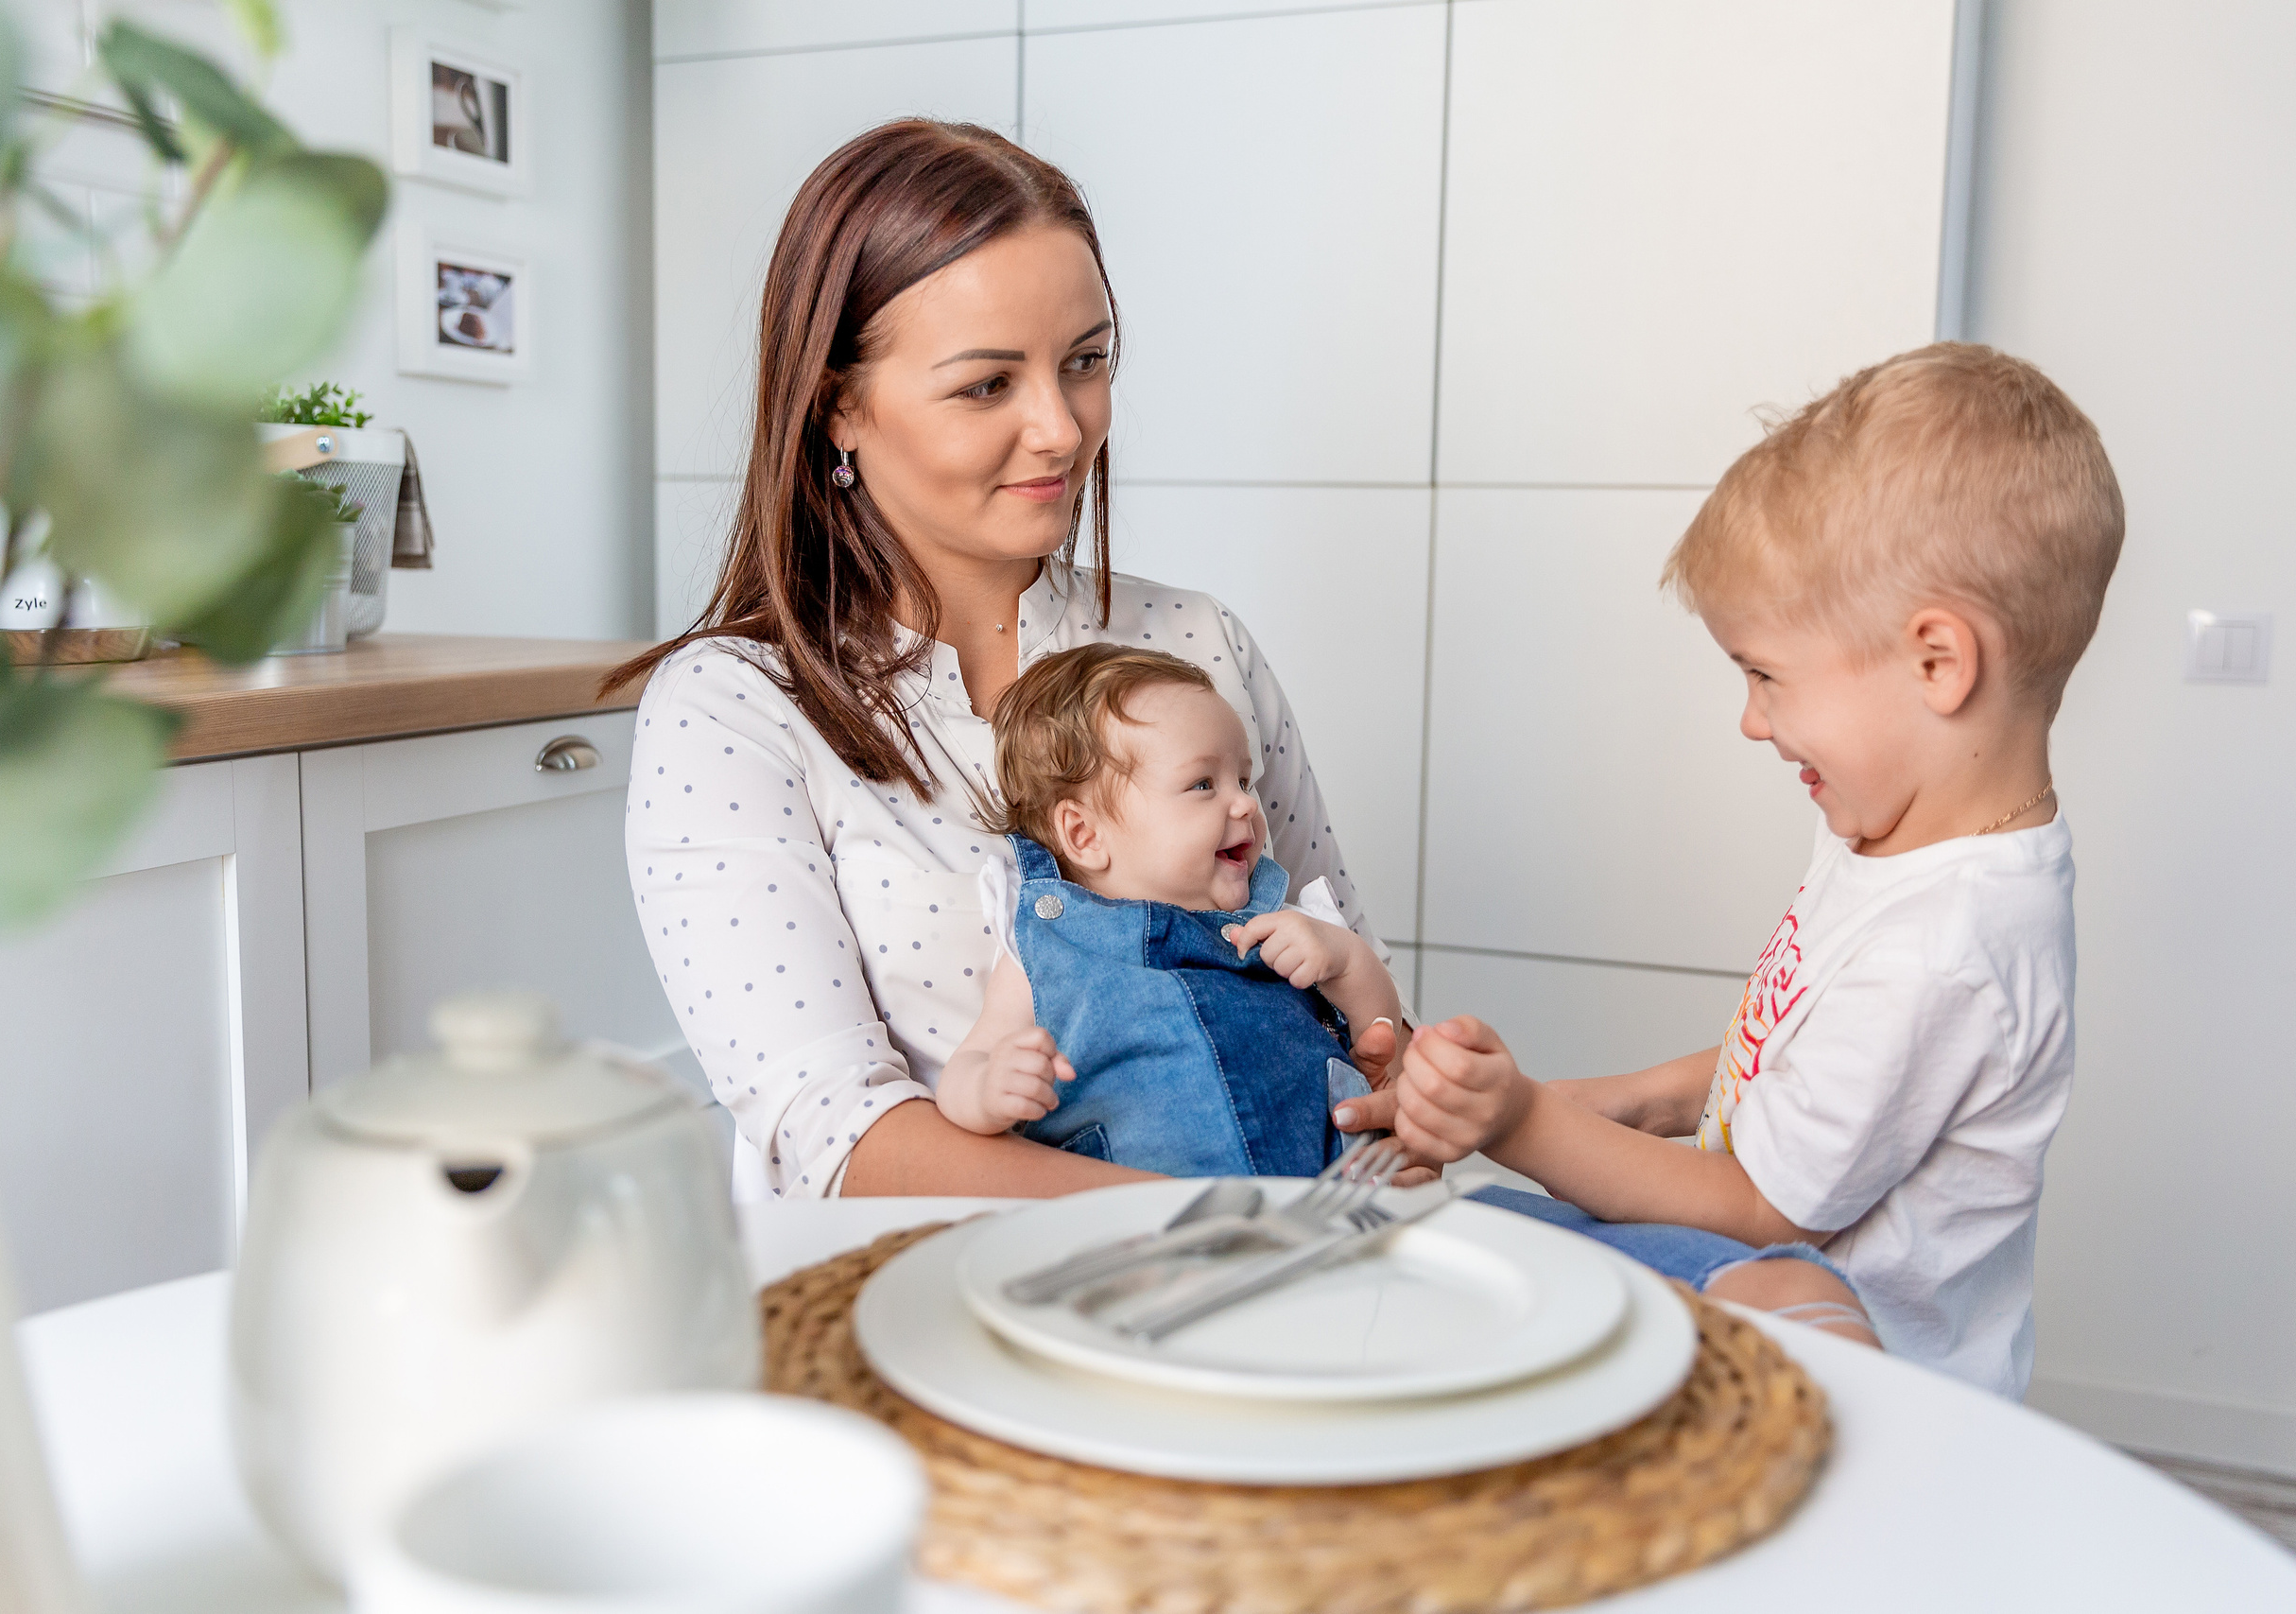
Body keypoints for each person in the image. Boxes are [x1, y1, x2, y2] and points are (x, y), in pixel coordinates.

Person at [610, 119, 1406, 1201]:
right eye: (988, 385)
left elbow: (1347, 991)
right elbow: (838, 1133)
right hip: (937, 1302)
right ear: (839, 402)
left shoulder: (1198, 644)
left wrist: (1406, 1115)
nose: (1062, 431)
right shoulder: (732, 712)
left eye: (1083, 364)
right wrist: (1233, 1230)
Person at [1336, 343, 2124, 1392]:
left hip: (1850, 1393)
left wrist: (1522, 1123)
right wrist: (1585, 1104)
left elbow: (1761, 1203)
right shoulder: (1892, 836)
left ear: (1938, 662)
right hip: (1746, 1281)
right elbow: (1780, 1065)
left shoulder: (1948, 946)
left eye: (1766, 675)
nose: (1751, 722)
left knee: (1472, 1271)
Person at [935, 644, 1400, 1174]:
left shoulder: (1286, 923)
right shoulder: (1050, 945)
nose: (1247, 802)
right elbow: (965, 1067)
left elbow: (1379, 1027)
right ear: (1084, 834)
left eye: (1243, 780)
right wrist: (989, 1088)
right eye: (1203, 784)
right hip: (1151, 1223)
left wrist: (1346, 961)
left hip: (1329, 1204)